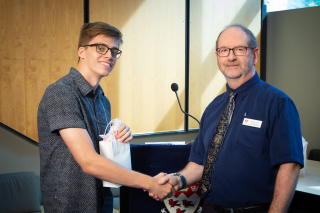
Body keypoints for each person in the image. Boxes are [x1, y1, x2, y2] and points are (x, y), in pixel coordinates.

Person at [152, 24, 303, 213]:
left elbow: (290, 166)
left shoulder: (278, 103)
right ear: (218, 57)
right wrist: (176, 179)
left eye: (239, 49)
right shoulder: (213, 108)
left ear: (254, 55)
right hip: (210, 209)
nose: (230, 57)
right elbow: (200, 163)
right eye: (224, 50)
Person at [38, 22, 173, 213]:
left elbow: (100, 154)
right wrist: (150, 183)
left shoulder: (103, 101)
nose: (109, 55)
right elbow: (89, 161)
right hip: (70, 206)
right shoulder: (60, 93)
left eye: (114, 51)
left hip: (103, 202)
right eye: (101, 48)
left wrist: (116, 139)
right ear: (81, 51)